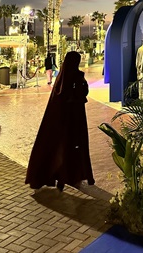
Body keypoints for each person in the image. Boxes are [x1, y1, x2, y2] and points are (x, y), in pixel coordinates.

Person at [25, 50, 95, 191]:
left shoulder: (61, 79)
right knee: (73, 146)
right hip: (75, 120)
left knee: (60, 147)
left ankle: (61, 176)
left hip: (61, 121)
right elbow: (81, 94)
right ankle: (68, 176)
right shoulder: (75, 77)